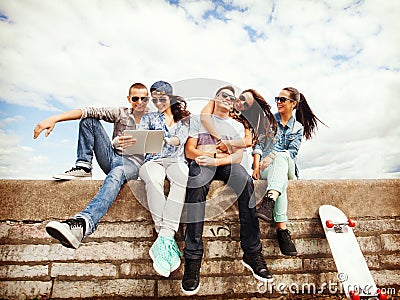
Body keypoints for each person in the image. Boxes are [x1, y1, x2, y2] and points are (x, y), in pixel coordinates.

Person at [181, 86, 273, 296]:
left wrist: (216, 159)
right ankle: (193, 260)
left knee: (244, 180)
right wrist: (206, 158)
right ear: (215, 98)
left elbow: (238, 157)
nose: (228, 99)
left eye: (232, 98)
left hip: (223, 163)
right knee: (195, 184)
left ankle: (252, 252)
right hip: (201, 163)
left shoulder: (235, 125)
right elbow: (189, 150)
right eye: (224, 95)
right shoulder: (199, 119)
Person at [33, 82, 149, 249]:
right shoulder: (120, 113)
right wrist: (54, 118)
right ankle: (84, 166)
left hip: (132, 164)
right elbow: (87, 110)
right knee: (89, 119)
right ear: (129, 99)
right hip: (112, 157)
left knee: (117, 173)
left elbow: (165, 142)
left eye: (143, 98)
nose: (139, 102)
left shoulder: (153, 118)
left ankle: (83, 224)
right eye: (135, 98)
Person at [253, 87, 326, 256]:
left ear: (293, 104)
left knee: (283, 156)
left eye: (282, 99)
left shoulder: (298, 128)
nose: (278, 102)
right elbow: (258, 145)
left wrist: (273, 155)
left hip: (287, 167)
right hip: (266, 169)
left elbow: (292, 153)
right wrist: (256, 167)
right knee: (280, 184)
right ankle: (282, 230)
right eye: (277, 98)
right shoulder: (268, 121)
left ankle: (270, 200)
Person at [138, 81, 191, 278]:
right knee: (153, 179)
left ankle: (163, 238)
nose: (158, 102)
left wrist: (165, 140)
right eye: (155, 98)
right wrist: (147, 142)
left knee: (183, 178)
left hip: (175, 160)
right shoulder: (149, 118)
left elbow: (180, 140)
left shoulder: (184, 121)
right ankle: (166, 237)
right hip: (153, 160)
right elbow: (142, 141)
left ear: (171, 98)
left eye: (162, 98)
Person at [200, 89, 277, 174]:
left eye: (246, 105)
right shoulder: (220, 99)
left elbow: (248, 141)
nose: (241, 103)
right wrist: (220, 139)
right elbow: (204, 117)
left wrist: (228, 143)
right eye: (242, 98)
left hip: (231, 157)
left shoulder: (242, 120)